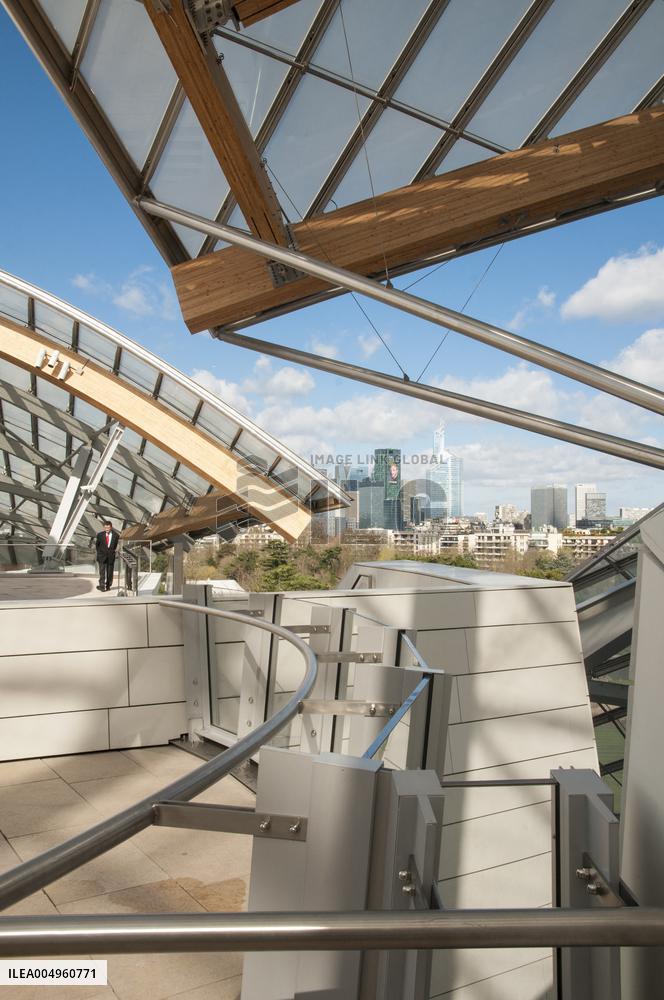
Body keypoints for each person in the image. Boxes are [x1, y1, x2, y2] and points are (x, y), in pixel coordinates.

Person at [95, 519, 119, 592]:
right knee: (102, 572)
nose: (107, 529)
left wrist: (111, 552)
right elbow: (97, 545)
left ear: (111, 527)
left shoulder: (116, 535)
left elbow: (114, 546)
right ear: (104, 527)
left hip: (110, 556)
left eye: (108, 528)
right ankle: (102, 586)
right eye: (105, 527)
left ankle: (108, 585)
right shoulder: (100, 535)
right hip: (102, 556)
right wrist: (100, 553)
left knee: (110, 572)